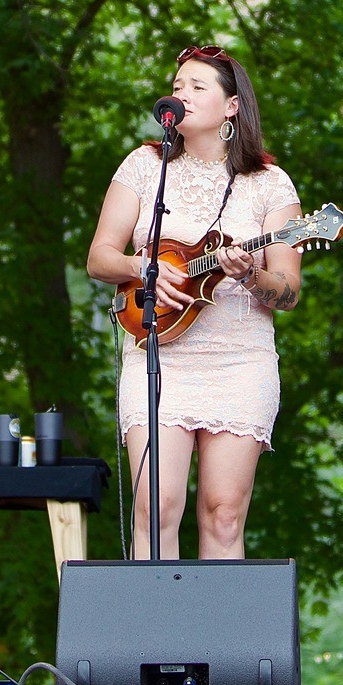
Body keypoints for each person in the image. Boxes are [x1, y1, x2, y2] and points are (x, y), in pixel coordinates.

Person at [86, 46, 303, 559]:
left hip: (239, 360)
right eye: (177, 85)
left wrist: (251, 276)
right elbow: (99, 257)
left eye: (196, 86)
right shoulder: (145, 166)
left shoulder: (269, 183)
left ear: (232, 106)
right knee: (155, 508)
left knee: (223, 513)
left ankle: (218, 641)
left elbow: (289, 291)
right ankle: (150, 637)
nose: (180, 94)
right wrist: (144, 267)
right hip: (156, 354)